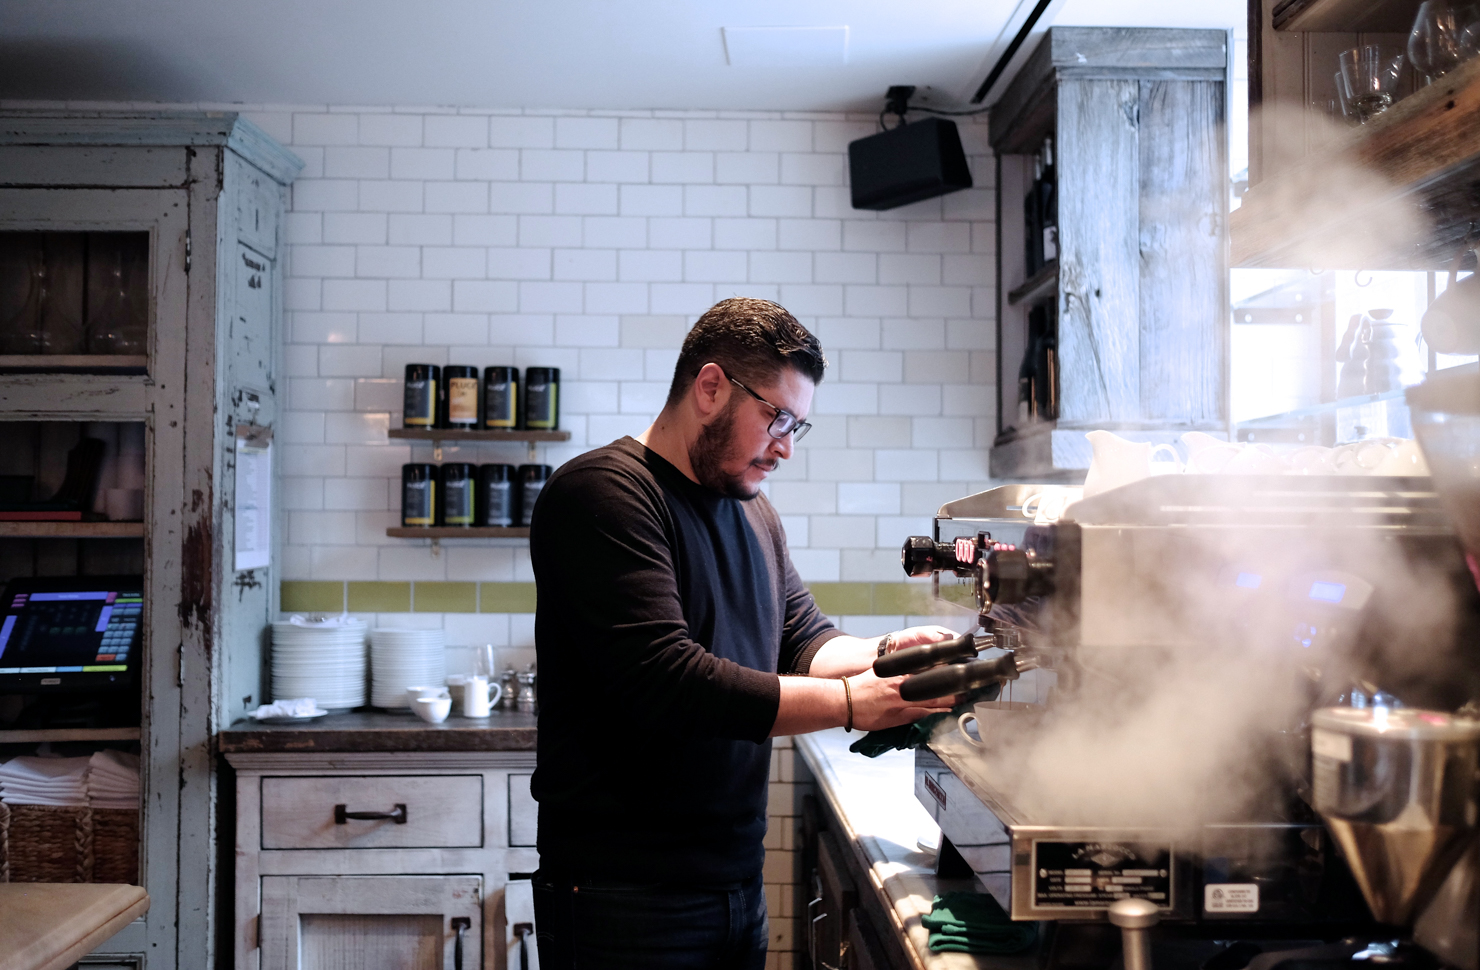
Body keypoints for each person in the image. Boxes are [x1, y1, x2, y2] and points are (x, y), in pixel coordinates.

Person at [528, 297, 957, 970]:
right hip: (622, 898)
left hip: (734, 885)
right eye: (777, 417)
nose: (786, 446)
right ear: (710, 387)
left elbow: (806, 641)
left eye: (797, 426)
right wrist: (853, 703)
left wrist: (888, 654)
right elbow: (671, 682)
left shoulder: (755, 515)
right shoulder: (603, 495)